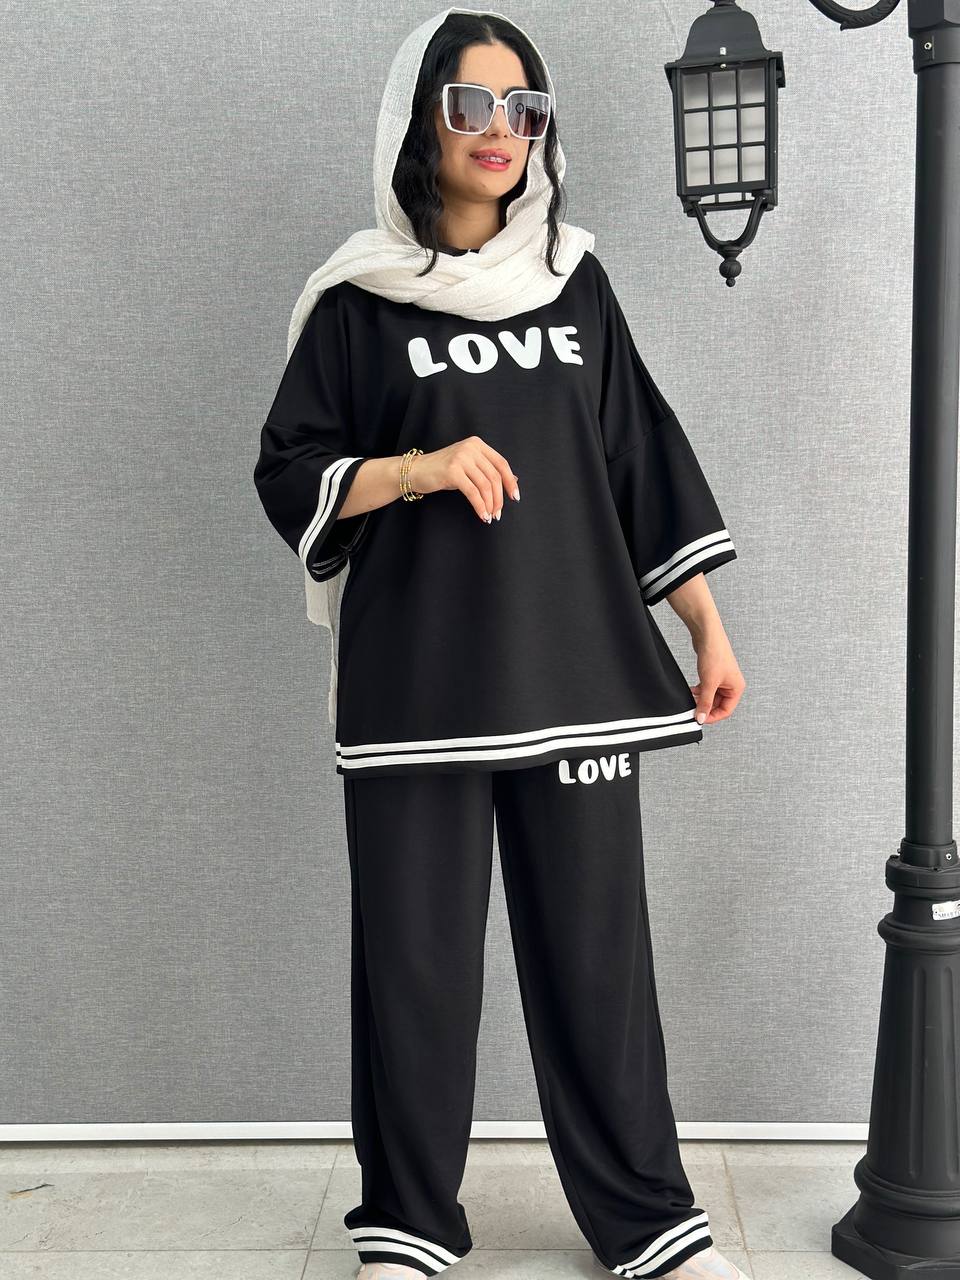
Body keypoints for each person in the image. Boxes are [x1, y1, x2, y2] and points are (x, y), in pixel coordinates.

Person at [253, 9, 747, 1280]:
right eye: (471, 105)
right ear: (419, 120)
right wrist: (417, 466)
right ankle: (409, 1221)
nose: (501, 131)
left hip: (578, 677)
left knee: (598, 965)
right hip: (418, 687)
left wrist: (704, 624)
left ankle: (648, 1220)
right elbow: (291, 469)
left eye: (524, 109)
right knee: (414, 969)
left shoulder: (576, 282)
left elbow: (638, 460)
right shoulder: (357, 300)